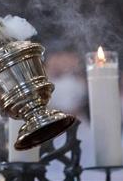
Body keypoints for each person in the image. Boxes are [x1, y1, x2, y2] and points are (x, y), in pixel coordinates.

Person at [44, 50, 97, 179]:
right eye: (58, 74)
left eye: (73, 74)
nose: (68, 82)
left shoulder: (101, 137)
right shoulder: (33, 141)